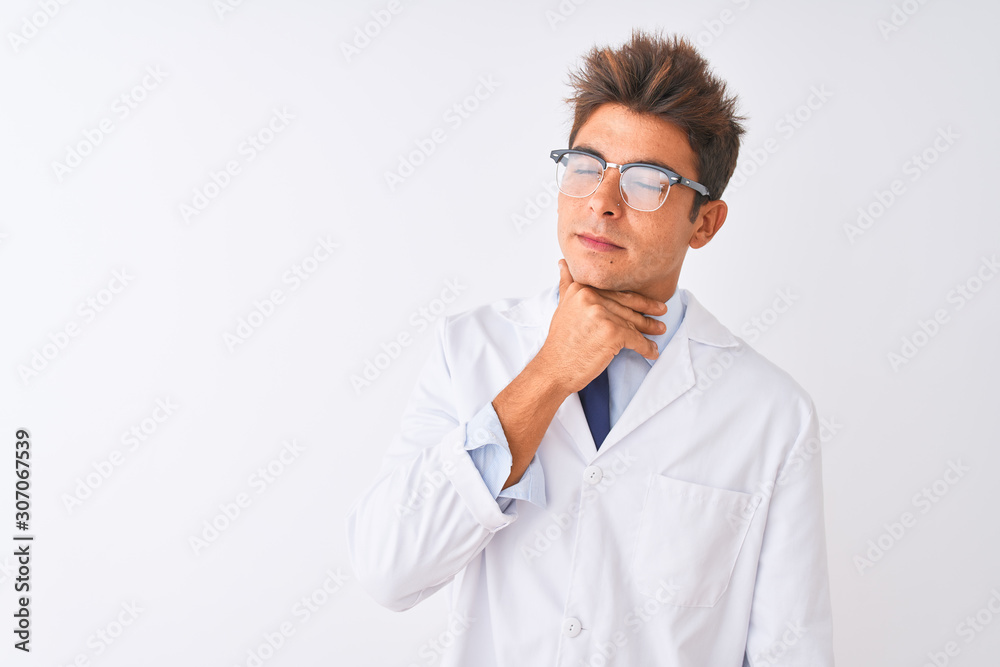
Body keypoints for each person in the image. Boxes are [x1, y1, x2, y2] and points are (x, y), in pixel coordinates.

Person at [346, 28, 834, 666]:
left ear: (706, 223)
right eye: (585, 168)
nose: (602, 202)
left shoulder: (771, 414)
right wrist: (548, 373)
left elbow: (791, 653)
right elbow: (389, 571)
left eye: (646, 182)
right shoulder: (471, 349)